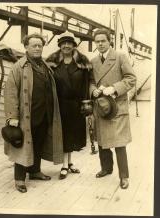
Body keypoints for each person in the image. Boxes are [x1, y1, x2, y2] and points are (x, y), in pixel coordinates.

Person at [3, 33, 63, 193]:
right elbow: (10, 92)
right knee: (22, 144)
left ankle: (35, 171)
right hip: (26, 115)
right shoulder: (19, 66)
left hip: (44, 113)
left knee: (38, 142)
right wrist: (12, 117)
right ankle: (19, 179)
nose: (37, 48)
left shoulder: (44, 65)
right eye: (34, 45)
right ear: (26, 47)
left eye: (40, 45)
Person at [89, 29, 136, 189]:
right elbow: (91, 81)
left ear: (109, 41)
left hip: (117, 106)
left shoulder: (120, 57)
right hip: (102, 106)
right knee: (102, 140)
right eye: (97, 41)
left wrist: (114, 89)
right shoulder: (94, 61)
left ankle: (124, 176)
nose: (100, 44)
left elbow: (131, 79)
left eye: (103, 41)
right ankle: (106, 168)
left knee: (119, 143)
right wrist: (93, 90)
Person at [46, 31, 91, 179]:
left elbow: (86, 84)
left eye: (69, 43)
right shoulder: (51, 62)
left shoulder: (83, 62)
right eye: (63, 43)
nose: (66, 46)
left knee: (73, 135)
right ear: (59, 45)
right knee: (63, 134)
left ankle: (69, 163)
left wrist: (86, 103)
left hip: (76, 105)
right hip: (59, 105)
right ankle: (64, 165)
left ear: (73, 45)